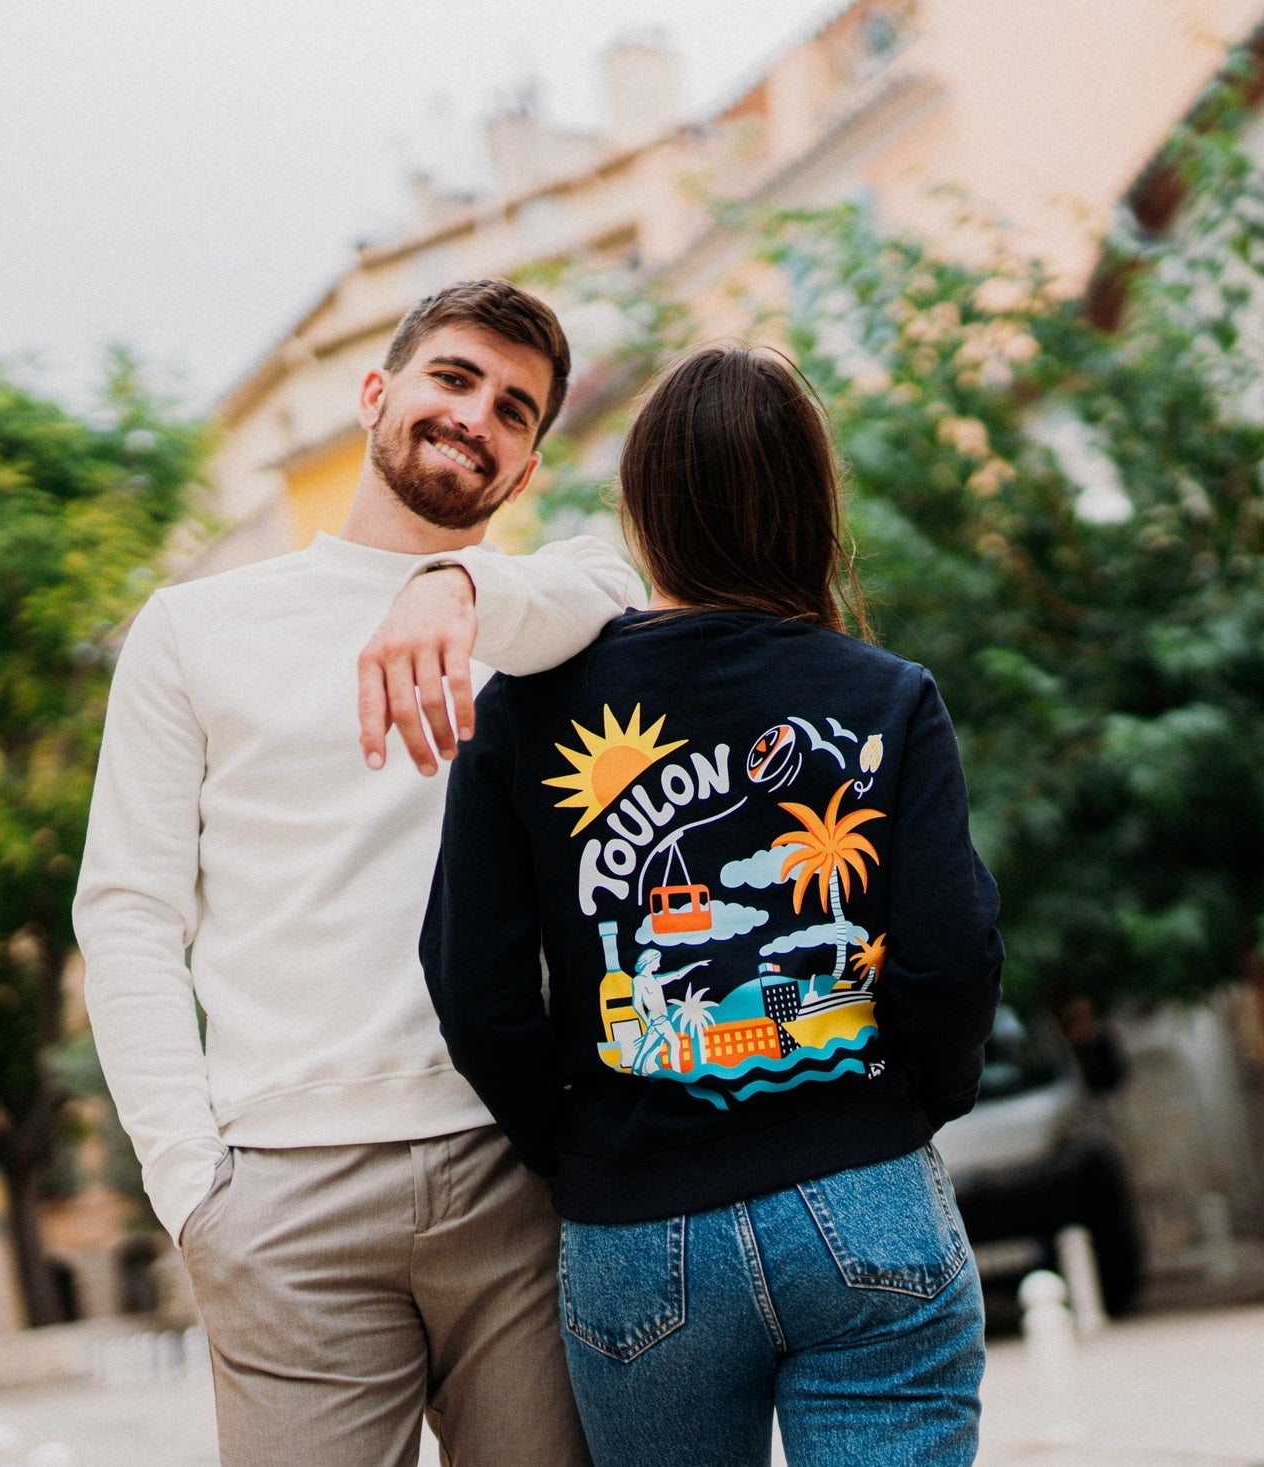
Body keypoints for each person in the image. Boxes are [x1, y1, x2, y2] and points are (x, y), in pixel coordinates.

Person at [75, 279, 639, 1467]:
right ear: (377, 394)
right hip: (285, 1193)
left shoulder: (536, 624)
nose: (477, 414)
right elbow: (126, 916)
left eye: (515, 409)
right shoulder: (195, 628)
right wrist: (192, 1190)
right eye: (452, 377)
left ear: (526, 467)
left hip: (515, 1181)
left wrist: (457, 585)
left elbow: (617, 580)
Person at [424, 344, 1004, 1467]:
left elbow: (473, 984)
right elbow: (951, 955)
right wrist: (900, 1114)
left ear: (642, 510)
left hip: (636, 1228)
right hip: (864, 1189)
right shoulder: (885, 696)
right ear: (811, 505)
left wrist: (580, 1142)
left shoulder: (526, 712)